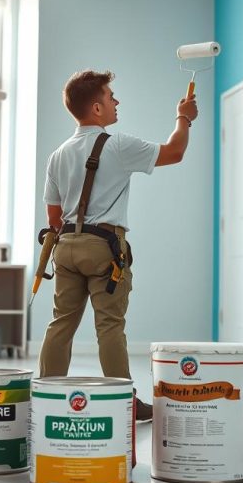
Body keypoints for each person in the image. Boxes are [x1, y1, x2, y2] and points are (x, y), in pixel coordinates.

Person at [38, 69, 197, 421]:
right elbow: (174, 152)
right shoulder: (118, 145)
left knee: (61, 322)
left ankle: (46, 394)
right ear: (96, 108)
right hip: (103, 247)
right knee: (109, 325)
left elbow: (53, 214)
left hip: (64, 246)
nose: (116, 101)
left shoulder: (58, 154)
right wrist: (183, 119)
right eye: (111, 97)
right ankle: (123, 402)